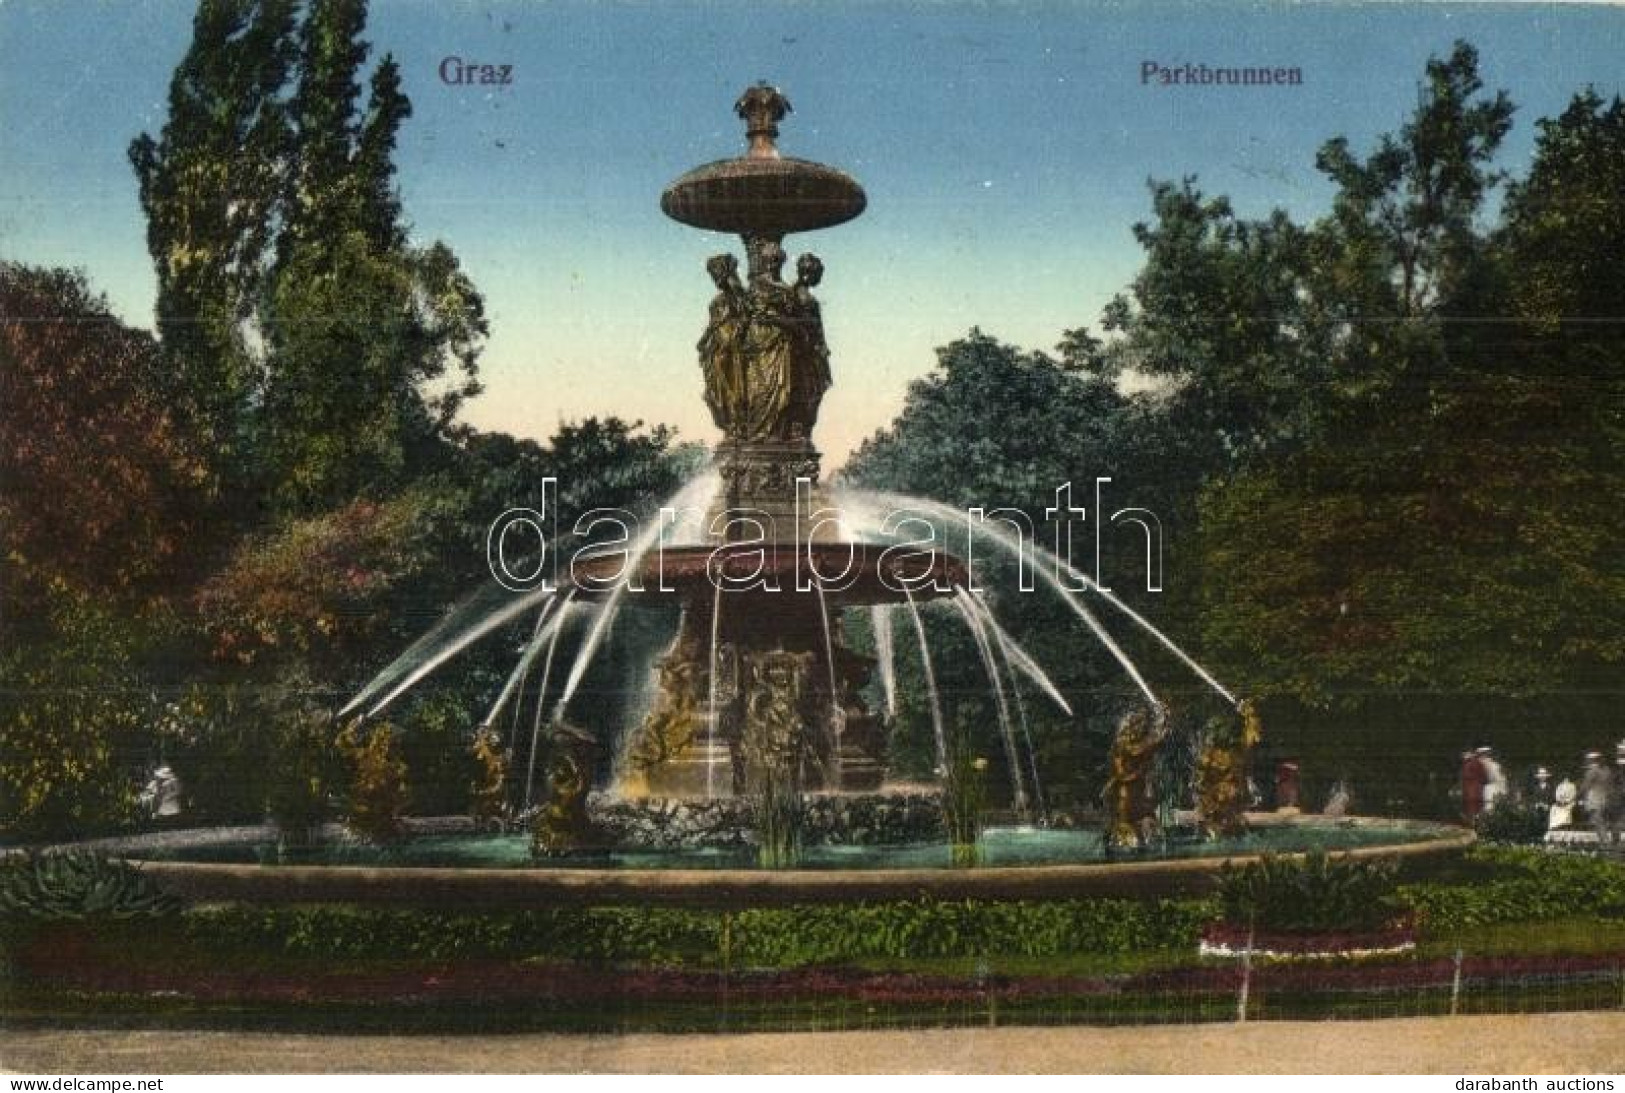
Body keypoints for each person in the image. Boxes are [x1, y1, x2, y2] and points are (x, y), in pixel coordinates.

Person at [1580, 752, 1616, 843]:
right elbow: (1611, 785)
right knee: (1604, 821)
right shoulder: (1607, 770)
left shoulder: (1592, 771)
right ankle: (1609, 841)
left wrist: (1577, 796)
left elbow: (1585, 786)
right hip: (1606, 798)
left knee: (1598, 822)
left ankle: (1605, 842)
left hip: (1594, 799)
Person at [1478, 747, 1508, 812]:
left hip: (1489, 788)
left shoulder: (1494, 765)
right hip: (1489, 788)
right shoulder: (1493, 765)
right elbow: (1499, 778)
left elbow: (1499, 778)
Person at [1460, 749, 1486, 822]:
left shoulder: (1474, 763)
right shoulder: (1468, 763)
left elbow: (1482, 775)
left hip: (1473, 788)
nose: (1463, 756)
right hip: (1471, 788)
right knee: (1471, 805)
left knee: (1473, 805)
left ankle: (1474, 821)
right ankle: (1472, 820)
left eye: (1465, 754)